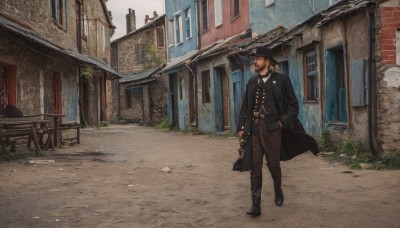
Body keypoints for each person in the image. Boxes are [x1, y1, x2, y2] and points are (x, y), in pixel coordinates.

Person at [237, 47, 318, 217]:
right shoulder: (251, 82)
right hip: (255, 129)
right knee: (255, 165)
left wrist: (282, 123)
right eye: (254, 59)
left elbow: (293, 105)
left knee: (273, 165)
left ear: (267, 61)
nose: (254, 61)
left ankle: (278, 191)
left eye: (257, 59)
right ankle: (256, 205)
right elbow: (245, 106)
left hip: (273, 128)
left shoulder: (281, 80)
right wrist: (241, 127)